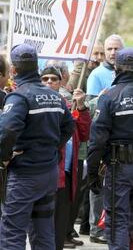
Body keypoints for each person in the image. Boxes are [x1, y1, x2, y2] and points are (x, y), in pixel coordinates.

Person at [0, 44, 74, 249]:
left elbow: (6, 131)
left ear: (14, 70)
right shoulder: (55, 96)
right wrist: (51, 148)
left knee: (11, 233)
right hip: (48, 173)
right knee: (43, 231)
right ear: (36, 66)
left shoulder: (19, 96)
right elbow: (69, 126)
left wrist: (4, 158)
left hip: (25, 174)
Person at [87, 47, 133, 249]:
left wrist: (93, 172)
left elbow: (97, 140)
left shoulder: (110, 97)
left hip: (118, 168)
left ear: (117, 69)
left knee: (117, 222)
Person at [40, 66, 91, 249]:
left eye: (53, 79)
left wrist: (82, 107)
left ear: (61, 82)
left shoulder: (70, 107)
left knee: (59, 227)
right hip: (43, 172)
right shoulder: (33, 104)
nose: (49, 82)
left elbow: (84, 134)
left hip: (66, 175)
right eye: (45, 79)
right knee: (41, 227)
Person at [86, 35, 124, 100]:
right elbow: (90, 105)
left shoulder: (130, 71)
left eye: (116, 49)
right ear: (105, 51)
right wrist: (99, 99)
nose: (113, 53)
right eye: (109, 49)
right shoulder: (96, 74)